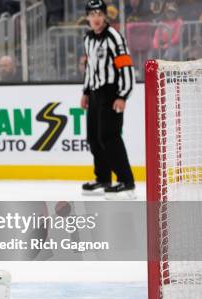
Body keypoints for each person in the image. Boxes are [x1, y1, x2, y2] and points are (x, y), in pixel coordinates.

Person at [81, 0, 136, 200]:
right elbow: (90, 68)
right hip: (95, 93)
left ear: (105, 16)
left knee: (110, 136)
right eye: (92, 14)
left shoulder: (114, 38)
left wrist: (122, 95)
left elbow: (126, 67)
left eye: (99, 14)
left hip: (112, 93)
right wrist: (86, 92)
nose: (96, 18)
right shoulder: (88, 39)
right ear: (87, 17)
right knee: (94, 137)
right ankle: (103, 178)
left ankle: (126, 182)